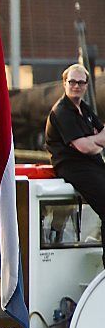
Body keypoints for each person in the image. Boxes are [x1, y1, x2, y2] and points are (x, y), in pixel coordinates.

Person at [45, 63, 105, 266]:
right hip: (73, 166)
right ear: (64, 83)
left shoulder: (84, 108)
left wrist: (93, 142)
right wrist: (95, 142)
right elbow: (83, 147)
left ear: (87, 85)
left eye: (81, 82)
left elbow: (100, 136)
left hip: (92, 164)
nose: (76, 86)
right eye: (72, 82)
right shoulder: (61, 111)